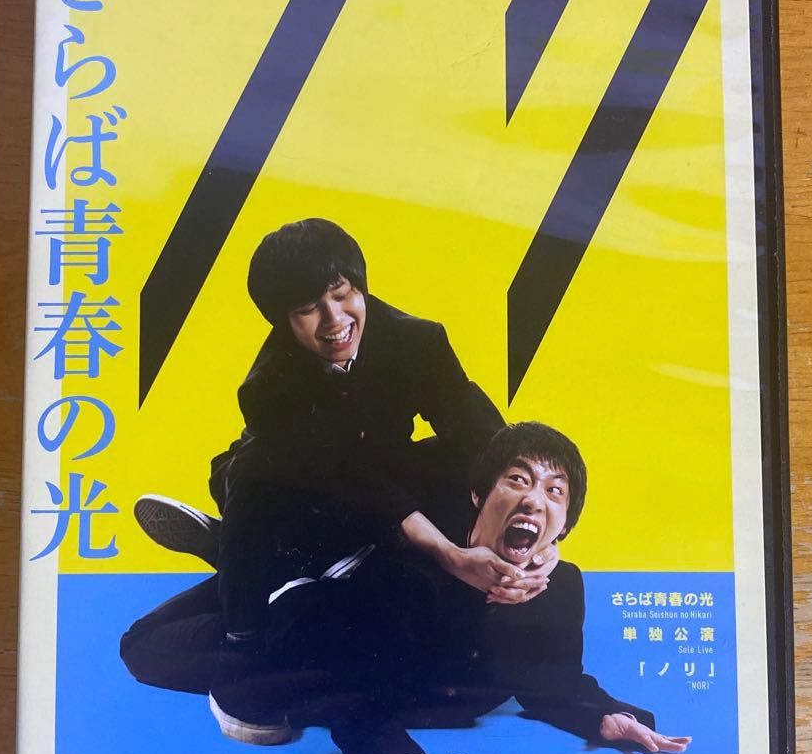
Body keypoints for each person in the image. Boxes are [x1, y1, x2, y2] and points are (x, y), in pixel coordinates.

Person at [121, 423, 691, 754]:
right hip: (303, 628)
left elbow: (554, 681)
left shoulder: (561, 586)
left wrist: (606, 717)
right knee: (144, 648)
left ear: (565, 525)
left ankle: (239, 551)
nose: (534, 500)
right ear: (479, 495)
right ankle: (246, 558)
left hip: (352, 601)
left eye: (554, 492)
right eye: (517, 480)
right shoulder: (410, 579)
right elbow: (355, 695)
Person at [136, 218, 555, 651]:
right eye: (307, 309)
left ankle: (239, 546)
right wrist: (449, 555)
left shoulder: (419, 341)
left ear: (361, 288)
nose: (334, 320)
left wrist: (541, 538)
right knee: (262, 484)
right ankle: (244, 548)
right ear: (282, 321)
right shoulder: (267, 388)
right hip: (294, 484)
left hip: (385, 464)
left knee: (467, 463)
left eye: (342, 295)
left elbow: (486, 436)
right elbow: (347, 477)